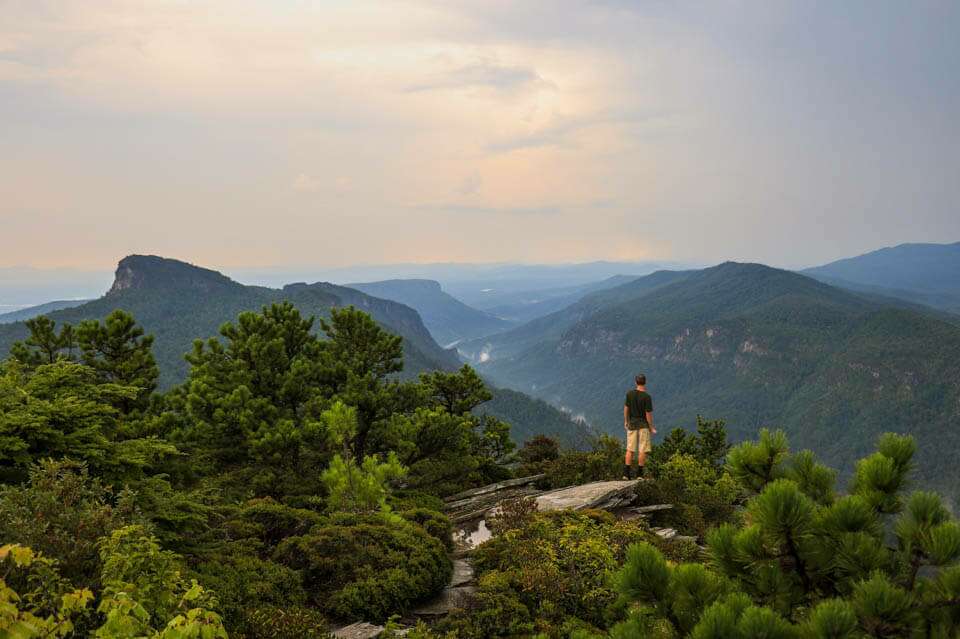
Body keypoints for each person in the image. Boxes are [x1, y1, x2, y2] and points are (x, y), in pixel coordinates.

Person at [623, 374, 655, 479]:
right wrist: (651, 427)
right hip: (643, 425)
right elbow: (648, 414)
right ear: (645, 382)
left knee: (630, 449)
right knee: (642, 449)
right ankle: (639, 475)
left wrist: (626, 421)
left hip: (632, 424)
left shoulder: (629, 394)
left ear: (636, 382)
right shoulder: (647, 397)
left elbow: (626, 409)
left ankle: (626, 474)